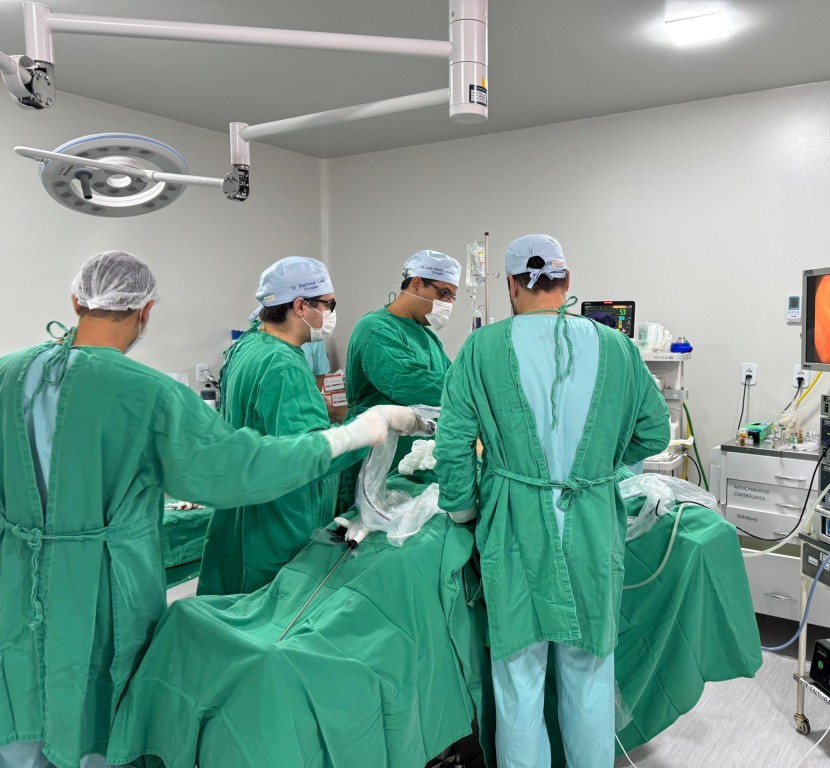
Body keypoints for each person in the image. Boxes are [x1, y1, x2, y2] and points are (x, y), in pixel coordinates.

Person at [0, 251, 398, 768]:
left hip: (15, 579)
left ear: (77, 301)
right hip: (103, 587)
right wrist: (349, 435)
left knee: (21, 691)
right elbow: (238, 467)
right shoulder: (146, 393)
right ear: (146, 310)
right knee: (103, 710)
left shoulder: (9, 373)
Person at [434, 235, 670, 768]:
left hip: (515, 527)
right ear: (567, 283)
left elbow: (452, 446)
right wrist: (602, 463)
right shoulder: (617, 348)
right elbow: (655, 432)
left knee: (518, 678)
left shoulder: (481, 349)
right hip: (591, 526)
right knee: (589, 673)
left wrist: (465, 508)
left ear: (512, 285)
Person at [197, 257, 421, 596]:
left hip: (241, 511)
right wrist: (376, 426)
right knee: (273, 611)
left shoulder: (247, 347)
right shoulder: (283, 366)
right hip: (278, 519)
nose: (331, 313)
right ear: (301, 306)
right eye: (329, 304)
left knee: (231, 612)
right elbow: (311, 454)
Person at [338, 249, 460, 510]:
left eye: (452, 297)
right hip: (377, 457)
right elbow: (410, 384)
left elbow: (452, 379)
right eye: (443, 293)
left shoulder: (427, 337)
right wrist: (476, 392)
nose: (448, 303)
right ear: (416, 284)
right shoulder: (375, 328)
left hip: (412, 461)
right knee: (365, 527)